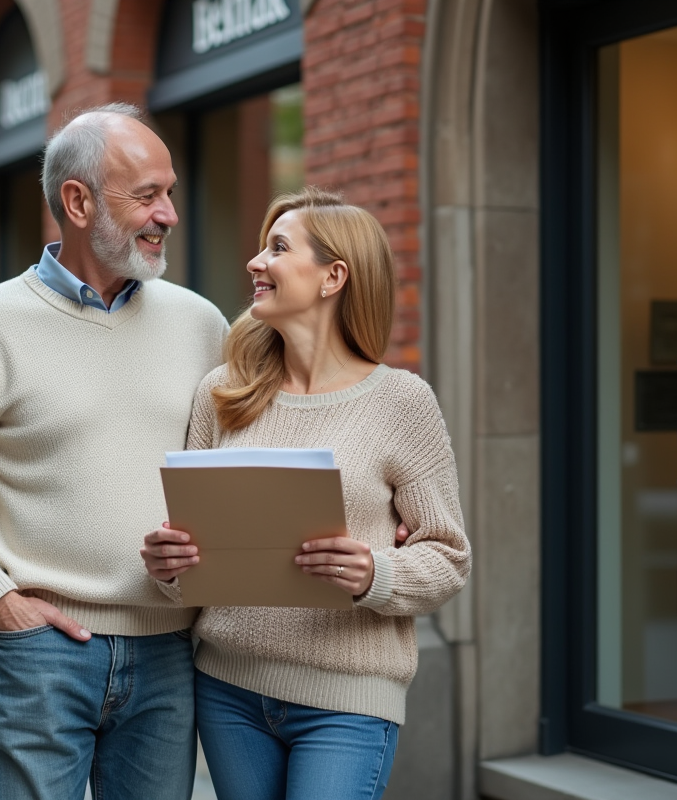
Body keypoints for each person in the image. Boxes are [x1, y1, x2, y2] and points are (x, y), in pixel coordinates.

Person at [0, 104, 229, 800]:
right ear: (77, 203)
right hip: (39, 654)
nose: (169, 214)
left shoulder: (203, 325)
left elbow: (244, 465)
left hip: (169, 655)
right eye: (147, 195)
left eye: (170, 192)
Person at [141, 188, 473, 800]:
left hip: (347, 702)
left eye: (277, 248)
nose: (255, 262)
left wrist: (375, 573)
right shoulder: (222, 394)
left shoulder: (402, 403)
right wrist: (169, 567)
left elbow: (448, 557)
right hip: (228, 690)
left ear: (333, 277)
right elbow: (192, 560)